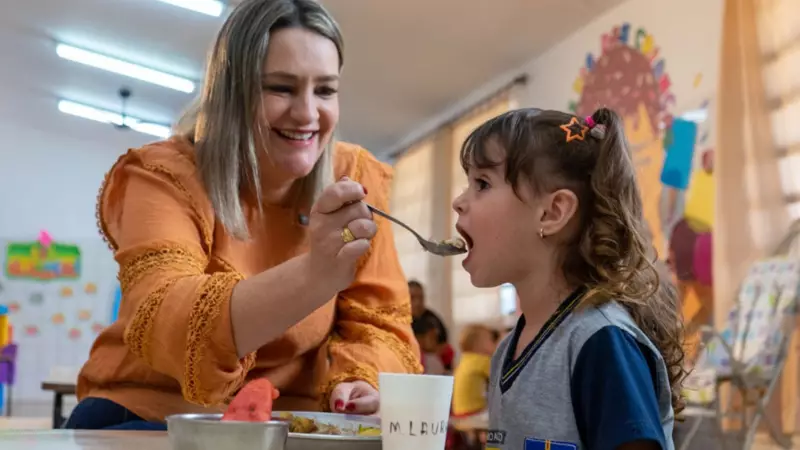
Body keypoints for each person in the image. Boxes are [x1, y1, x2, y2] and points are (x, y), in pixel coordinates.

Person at [64, 0, 421, 431]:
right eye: (281, 89)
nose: (308, 114)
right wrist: (314, 274)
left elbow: (379, 325)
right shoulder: (162, 174)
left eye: (325, 90)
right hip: (150, 418)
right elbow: (164, 316)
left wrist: (363, 382)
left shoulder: (354, 176)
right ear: (232, 92)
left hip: (288, 427)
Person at [452, 108, 686, 450]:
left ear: (552, 212)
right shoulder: (505, 352)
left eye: (482, 184)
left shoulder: (602, 343)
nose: (459, 202)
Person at [451, 324, 497, 427]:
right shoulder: (482, 360)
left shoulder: (465, 359)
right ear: (479, 344)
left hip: (459, 414)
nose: (495, 344)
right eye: (490, 340)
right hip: (474, 414)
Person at [408, 280, 453, 369]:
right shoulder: (398, 320)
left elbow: (444, 344)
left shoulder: (432, 318)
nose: (417, 303)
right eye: (412, 298)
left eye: (421, 298)